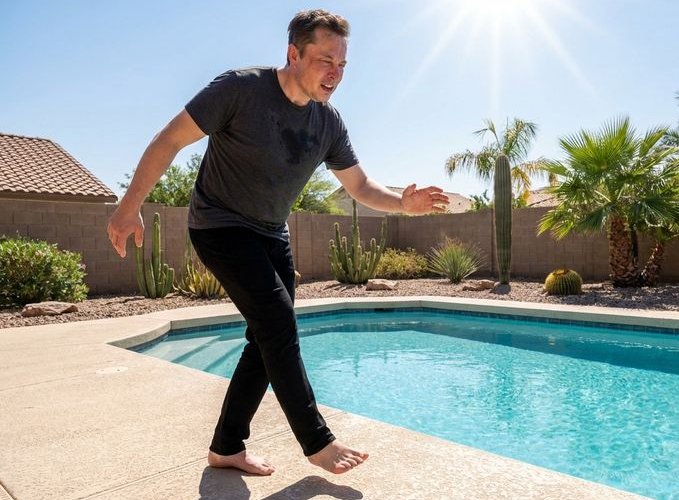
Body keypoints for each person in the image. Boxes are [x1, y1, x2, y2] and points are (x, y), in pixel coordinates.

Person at [107, 9, 449, 476]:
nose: (335, 73)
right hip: (219, 226)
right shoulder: (239, 89)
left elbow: (361, 186)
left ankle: (227, 446)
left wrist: (401, 205)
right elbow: (169, 141)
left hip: (271, 232)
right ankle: (317, 441)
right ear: (293, 53)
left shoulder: (328, 123)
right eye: (326, 60)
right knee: (278, 324)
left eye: (343, 65)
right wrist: (130, 206)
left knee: (265, 337)